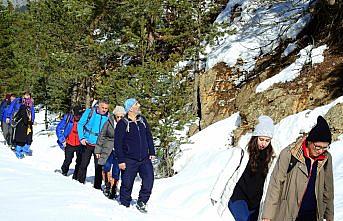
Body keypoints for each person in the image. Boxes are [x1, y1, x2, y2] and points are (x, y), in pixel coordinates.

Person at [262, 116, 334, 221]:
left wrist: (329, 217)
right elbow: (276, 184)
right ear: (309, 142)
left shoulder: (326, 158)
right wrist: (267, 216)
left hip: (313, 215)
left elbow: (328, 190)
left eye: (325, 147)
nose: (320, 151)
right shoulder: (289, 154)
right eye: (317, 147)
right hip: (288, 213)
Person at [210, 115, 276, 221]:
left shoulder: (272, 156)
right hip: (239, 195)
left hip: (257, 200)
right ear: (255, 137)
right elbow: (227, 172)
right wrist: (216, 194)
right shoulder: (242, 151)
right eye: (261, 139)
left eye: (267, 140)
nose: (264, 143)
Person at [115, 98, 155, 213]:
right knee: (127, 183)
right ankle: (124, 203)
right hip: (129, 159)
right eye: (136, 104)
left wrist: (151, 151)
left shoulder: (142, 120)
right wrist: (121, 160)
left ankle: (142, 201)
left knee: (149, 180)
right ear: (131, 108)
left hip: (144, 158)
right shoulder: (122, 123)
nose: (139, 105)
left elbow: (148, 136)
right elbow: (118, 143)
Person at [77, 99, 109, 189]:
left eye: (106, 108)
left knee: (98, 167)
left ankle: (97, 187)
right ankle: (79, 183)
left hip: (99, 146)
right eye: (102, 107)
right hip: (87, 142)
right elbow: (80, 124)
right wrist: (81, 137)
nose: (104, 110)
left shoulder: (108, 116)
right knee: (83, 164)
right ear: (98, 106)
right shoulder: (90, 112)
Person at [95, 105, 126, 199]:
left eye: (121, 117)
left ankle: (113, 188)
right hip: (108, 149)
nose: (119, 118)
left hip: (119, 150)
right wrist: (98, 150)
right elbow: (101, 136)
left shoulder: (126, 124)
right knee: (106, 166)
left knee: (116, 170)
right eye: (118, 116)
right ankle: (107, 185)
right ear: (115, 115)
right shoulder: (108, 122)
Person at [56, 106, 83, 178]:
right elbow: (58, 129)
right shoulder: (68, 118)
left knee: (79, 160)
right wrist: (62, 140)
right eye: (77, 115)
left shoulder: (83, 120)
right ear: (74, 114)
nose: (79, 117)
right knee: (68, 159)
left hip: (79, 143)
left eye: (80, 115)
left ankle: (76, 175)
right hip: (69, 143)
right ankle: (64, 171)